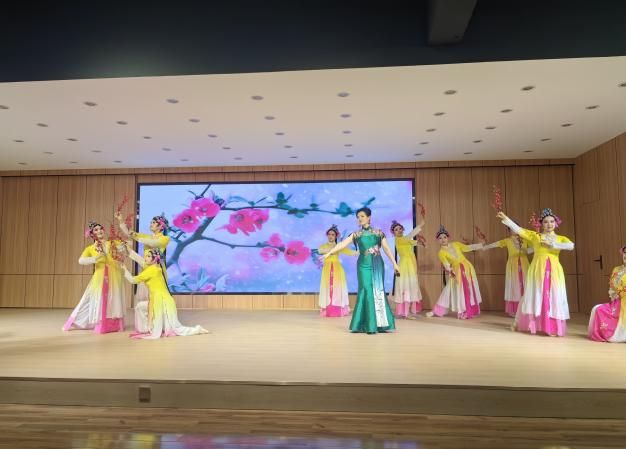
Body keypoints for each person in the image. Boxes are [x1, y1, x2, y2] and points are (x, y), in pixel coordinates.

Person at [497, 208, 575, 336]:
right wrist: (506, 219)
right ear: (541, 224)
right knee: (535, 294)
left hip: (554, 270)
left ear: (556, 223)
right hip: (537, 269)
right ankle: (530, 323)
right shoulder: (535, 236)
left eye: (552, 221)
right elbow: (519, 230)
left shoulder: (561, 238)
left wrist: (553, 245)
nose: (549, 224)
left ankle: (551, 327)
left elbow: (571, 246)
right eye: (546, 222)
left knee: (553, 296)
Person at [322, 207, 398, 334]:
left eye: (362, 216)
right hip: (363, 265)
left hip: (377, 264)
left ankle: (380, 324)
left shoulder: (378, 233)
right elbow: (342, 244)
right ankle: (366, 324)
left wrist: (395, 264)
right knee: (365, 289)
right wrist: (329, 253)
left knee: (378, 291)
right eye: (358, 217)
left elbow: (386, 249)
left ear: (369, 217)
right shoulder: (356, 234)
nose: (360, 219)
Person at [121, 246, 209, 339]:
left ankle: (146, 328)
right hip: (162, 300)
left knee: (175, 328)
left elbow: (133, 280)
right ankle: (147, 327)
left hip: (162, 302)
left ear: (155, 259)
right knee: (140, 307)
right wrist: (129, 251)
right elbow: (142, 261)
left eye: (148, 256)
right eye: (145, 256)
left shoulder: (151, 270)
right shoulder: (157, 268)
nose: (145, 258)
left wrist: (125, 269)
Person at [63, 221, 126, 333]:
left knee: (114, 299)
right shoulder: (90, 248)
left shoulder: (112, 242)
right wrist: (95, 259)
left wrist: (121, 246)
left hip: (114, 274)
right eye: (96, 230)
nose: (99, 231)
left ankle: (114, 324)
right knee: (96, 299)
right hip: (100, 276)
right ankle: (93, 322)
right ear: (92, 234)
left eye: (100, 229)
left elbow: (123, 250)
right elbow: (81, 260)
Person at [116, 212, 170, 333]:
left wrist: (136, 237)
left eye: (153, 222)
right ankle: (147, 324)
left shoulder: (165, 239)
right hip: (145, 267)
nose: (151, 224)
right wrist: (121, 221)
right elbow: (130, 233)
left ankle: (159, 324)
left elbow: (153, 243)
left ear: (161, 226)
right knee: (145, 298)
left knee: (156, 296)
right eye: (151, 222)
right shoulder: (147, 237)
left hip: (156, 269)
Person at [426, 225, 484, 319]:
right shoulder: (441, 252)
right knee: (453, 290)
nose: (443, 239)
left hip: (467, 268)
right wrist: (450, 271)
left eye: (444, 237)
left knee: (468, 289)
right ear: (438, 240)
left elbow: (467, 248)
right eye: (440, 238)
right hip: (456, 271)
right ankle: (440, 311)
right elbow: (446, 264)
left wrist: (480, 244)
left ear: (448, 237)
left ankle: (469, 310)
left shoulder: (456, 244)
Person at [481, 226, 532, 316]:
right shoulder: (507, 241)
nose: (514, 230)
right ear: (509, 231)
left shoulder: (526, 240)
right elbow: (494, 245)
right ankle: (515, 310)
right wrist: (484, 245)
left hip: (524, 264)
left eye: (516, 228)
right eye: (512, 229)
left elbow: (535, 248)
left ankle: (526, 309)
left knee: (526, 284)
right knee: (514, 286)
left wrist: (526, 250)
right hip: (513, 265)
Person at [317, 224, 358, 317]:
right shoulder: (323, 246)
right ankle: (327, 309)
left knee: (337, 288)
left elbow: (351, 252)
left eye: (333, 234)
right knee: (327, 288)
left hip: (337, 269)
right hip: (327, 269)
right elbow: (320, 251)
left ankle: (338, 309)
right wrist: (335, 248)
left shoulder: (339, 246)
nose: (330, 236)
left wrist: (360, 251)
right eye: (329, 234)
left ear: (336, 236)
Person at [588, 245, 626, 342]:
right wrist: (615, 296)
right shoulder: (617, 269)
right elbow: (612, 287)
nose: (625, 255)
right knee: (598, 309)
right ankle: (601, 333)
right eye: (624, 252)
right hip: (617, 301)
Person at [390, 219, 425, 318]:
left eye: (400, 228)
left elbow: (415, 242)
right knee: (406, 286)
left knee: (410, 286)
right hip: (405, 265)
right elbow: (410, 236)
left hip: (411, 264)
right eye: (396, 230)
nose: (399, 231)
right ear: (393, 233)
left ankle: (407, 311)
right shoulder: (399, 240)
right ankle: (405, 312)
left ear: (403, 229)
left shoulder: (406, 239)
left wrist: (421, 242)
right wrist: (420, 225)